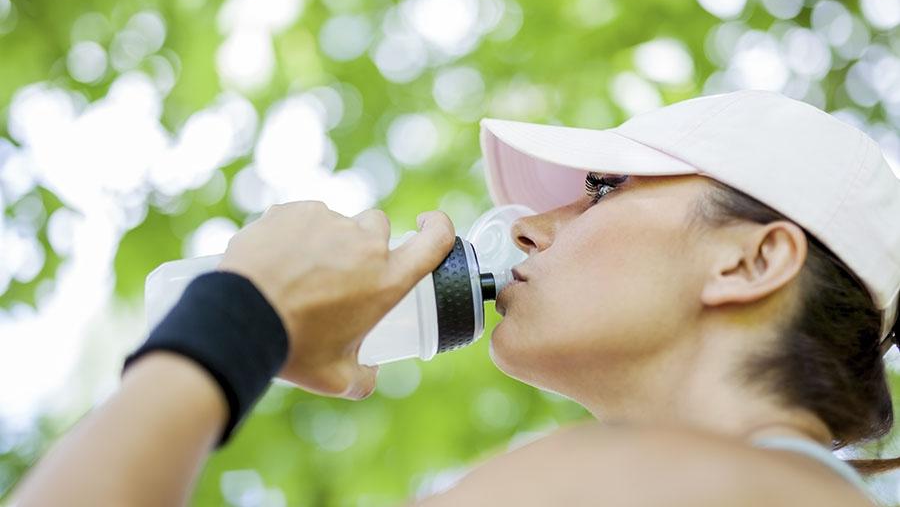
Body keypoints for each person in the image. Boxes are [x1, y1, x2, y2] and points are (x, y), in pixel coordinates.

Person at [10, 90, 899, 506]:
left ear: (751, 263)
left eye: (599, 188)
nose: (523, 226)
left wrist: (243, 311)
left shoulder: (633, 489)